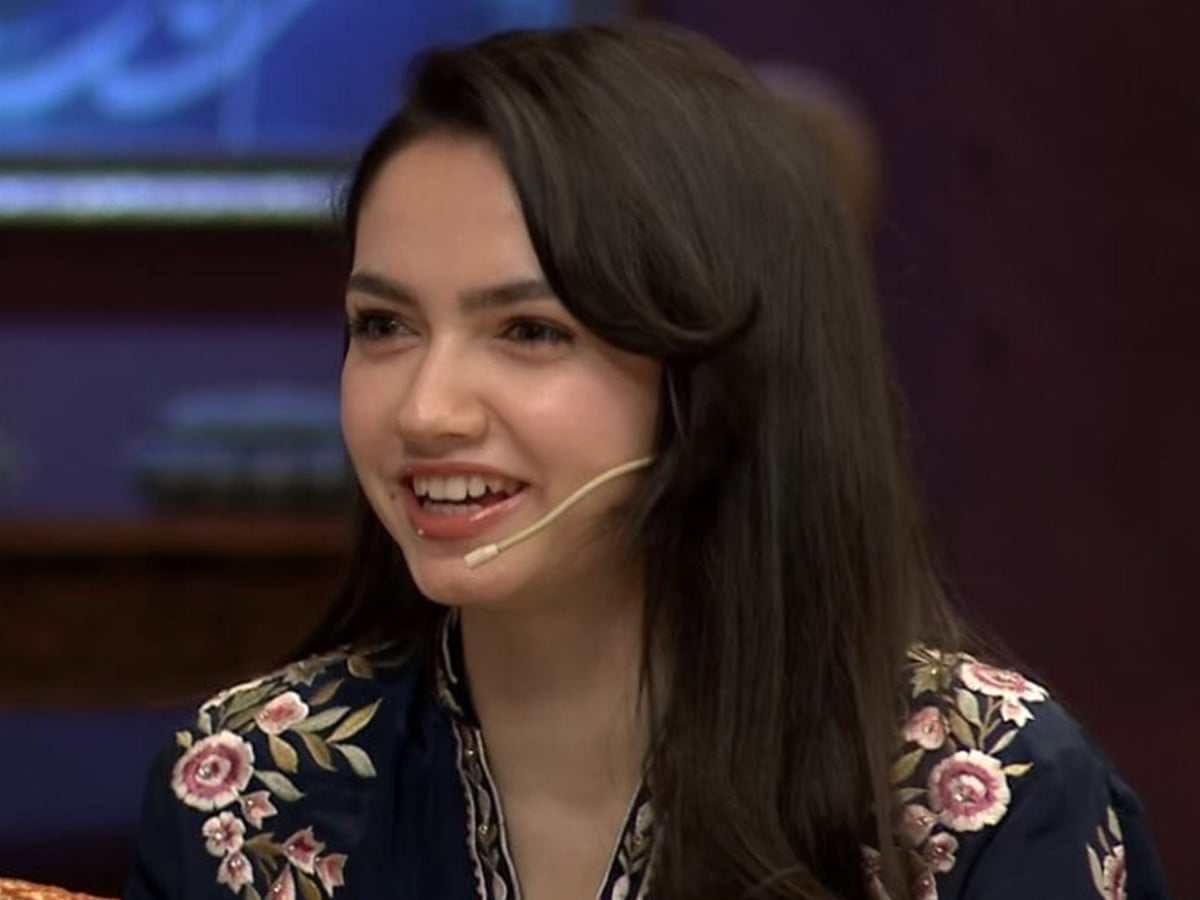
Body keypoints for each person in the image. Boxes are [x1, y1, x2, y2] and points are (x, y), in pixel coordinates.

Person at [124, 22, 1169, 900]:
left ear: (719, 378)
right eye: (385, 325)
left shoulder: (987, 794)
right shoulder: (251, 788)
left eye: (531, 331)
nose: (426, 411)